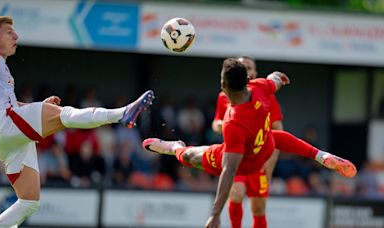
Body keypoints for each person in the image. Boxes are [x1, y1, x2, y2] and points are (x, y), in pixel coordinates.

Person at [142, 58, 357, 228]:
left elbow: (229, 170)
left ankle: (174, 147)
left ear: (223, 85)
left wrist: (215, 214)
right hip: (266, 147)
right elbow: (274, 81)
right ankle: (321, 155)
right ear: (247, 80)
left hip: (247, 163)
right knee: (276, 136)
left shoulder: (234, 122)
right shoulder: (259, 87)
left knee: (191, 157)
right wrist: (279, 77)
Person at [0, 16, 154, 227]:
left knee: (29, 202)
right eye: (9, 32)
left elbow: (7, 103)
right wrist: (41, 110)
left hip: (3, 136)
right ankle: (122, 113)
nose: (16, 35)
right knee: (65, 115)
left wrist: (39, 107)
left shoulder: (0, 67)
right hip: (5, 125)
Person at [211, 56, 283, 228]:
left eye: (249, 68)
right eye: (243, 67)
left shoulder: (263, 93)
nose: (247, 70)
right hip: (236, 157)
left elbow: (278, 131)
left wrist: (271, 164)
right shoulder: (224, 97)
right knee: (235, 194)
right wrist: (220, 125)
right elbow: (215, 122)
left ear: (253, 74)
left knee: (258, 208)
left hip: (260, 157)